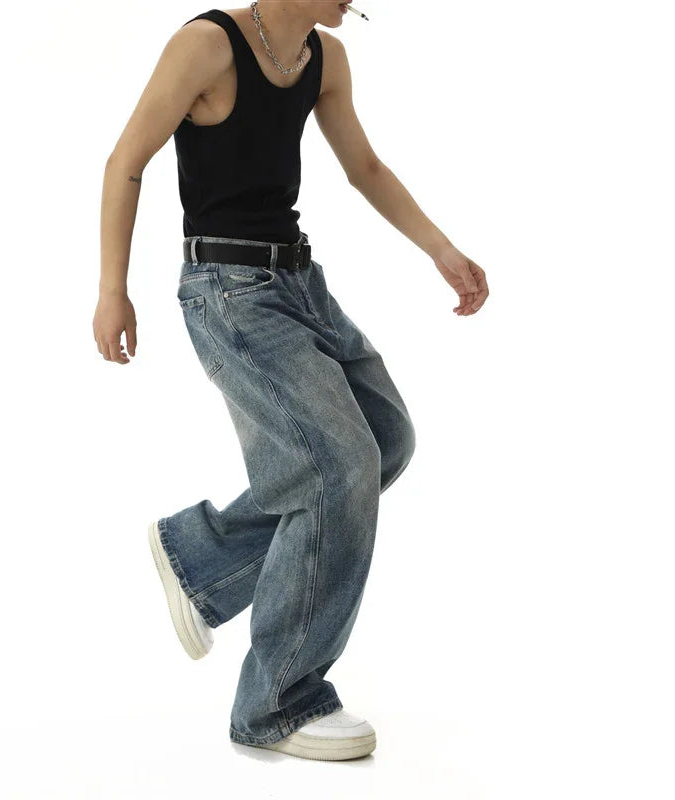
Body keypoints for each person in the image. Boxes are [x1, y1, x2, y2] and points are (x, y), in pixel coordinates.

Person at [93, 1, 489, 761]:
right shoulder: (206, 46)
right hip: (229, 292)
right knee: (337, 469)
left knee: (385, 441)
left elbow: (364, 167)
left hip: (300, 284)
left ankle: (201, 557)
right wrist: (114, 289)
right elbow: (127, 161)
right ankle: (278, 699)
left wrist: (440, 249)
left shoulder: (325, 60)